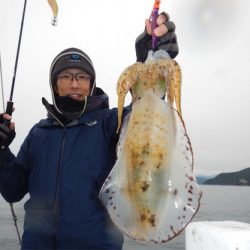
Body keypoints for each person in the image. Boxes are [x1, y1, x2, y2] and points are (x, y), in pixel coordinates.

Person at [0, 12, 179, 250]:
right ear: (55, 84)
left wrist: (150, 64)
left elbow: (144, 115)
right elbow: (13, 190)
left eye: (82, 77)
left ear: (91, 84)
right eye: (66, 76)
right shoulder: (38, 134)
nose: (75, 83)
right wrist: (1, 151)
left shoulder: (109, 124)